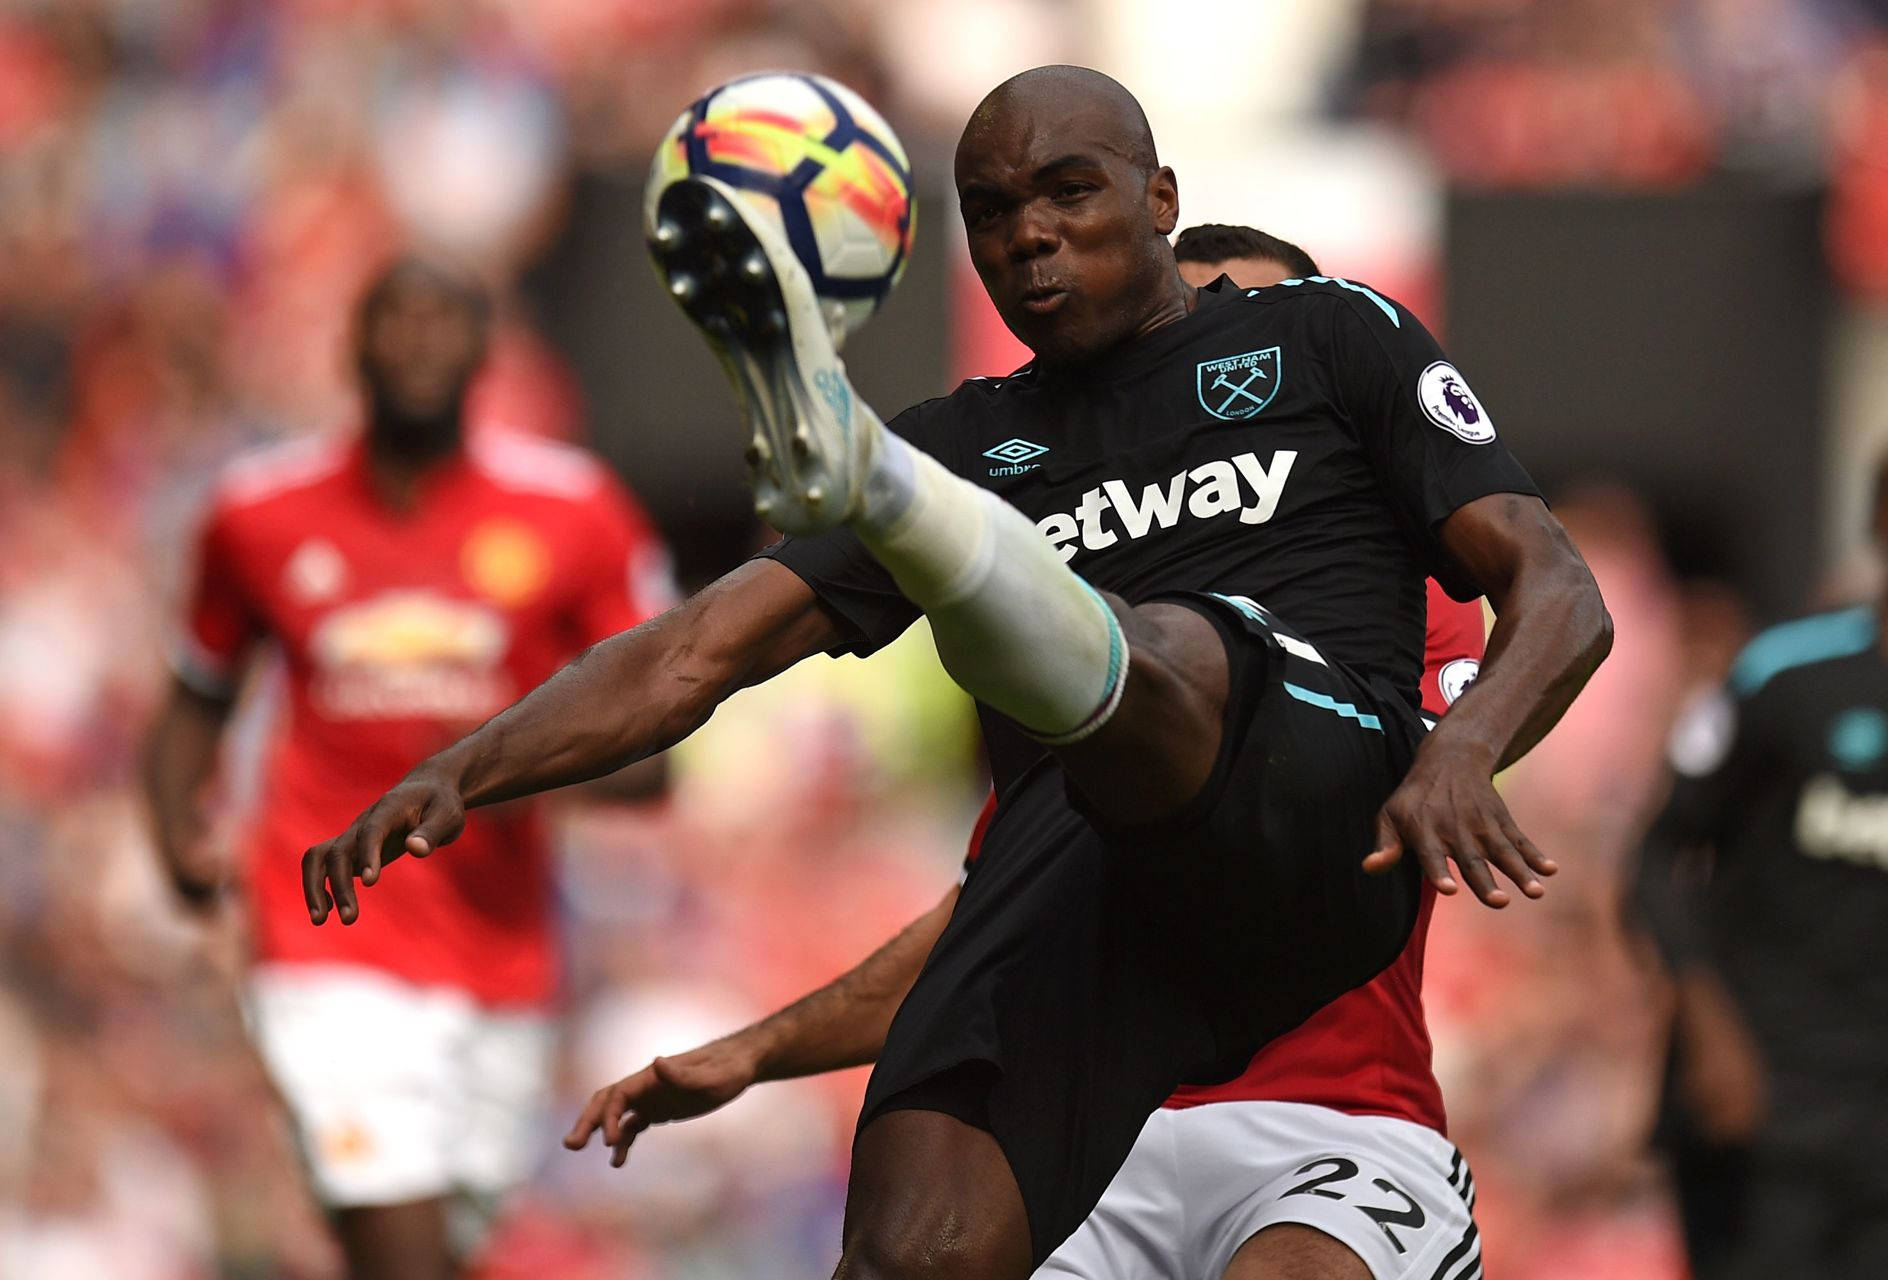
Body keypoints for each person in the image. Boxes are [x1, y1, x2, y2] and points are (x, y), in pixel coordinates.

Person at [303, 67, 1610, 1280]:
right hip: (1102, 957)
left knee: (1177, 644)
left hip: (1308, 871)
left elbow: (1555, 585)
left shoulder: (1331, 342)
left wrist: (1463, 746)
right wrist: (467, 765)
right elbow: (695, 651)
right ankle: (910, 524)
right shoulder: (981, 439)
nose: (1028, 234)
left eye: (1066, 193)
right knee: (908, 1251)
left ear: (1162, 201)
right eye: (990, 211)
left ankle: (891, 507)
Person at [562, 226, 1494, 1280]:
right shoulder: (1087, 652)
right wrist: (757, 1050)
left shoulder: (1408, 609)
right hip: (1097, 1135)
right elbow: (998, 921)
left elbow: (1360, 797)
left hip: (1334, 1123)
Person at [143, 257, 676, 1280]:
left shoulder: (576, 511)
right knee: (404, 1243)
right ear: (353, 347)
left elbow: (651, 738)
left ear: (485, 350)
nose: (417, 343)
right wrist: (177, 828)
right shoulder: (258, 510)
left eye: (444, 321)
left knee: (443, 1236)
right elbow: (196, 692)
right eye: (394, 320)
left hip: (500, 951)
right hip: (323, 926)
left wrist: (507, 781)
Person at [1632, 435, 1888, 1280]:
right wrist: (1703, 1024)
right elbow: (1656, 853)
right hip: (1767, 1109)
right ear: (1881, 518)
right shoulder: (1787, 673)